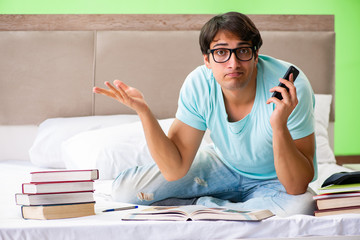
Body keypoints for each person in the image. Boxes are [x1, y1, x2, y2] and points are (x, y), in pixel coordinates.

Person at [93, 12, 317, 217]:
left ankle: (204, 207)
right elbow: (174, 169)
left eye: (243, 51)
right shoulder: (199, 84)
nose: (233, 63)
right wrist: (144, 112)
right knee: (127, 193)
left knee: (302, 206)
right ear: (207, 60)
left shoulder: (289, 88)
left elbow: (295, 186)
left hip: (274, 180)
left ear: (256, 54)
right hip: (222, 165)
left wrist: (279, 124)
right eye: (221, 52)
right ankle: (237, 209)